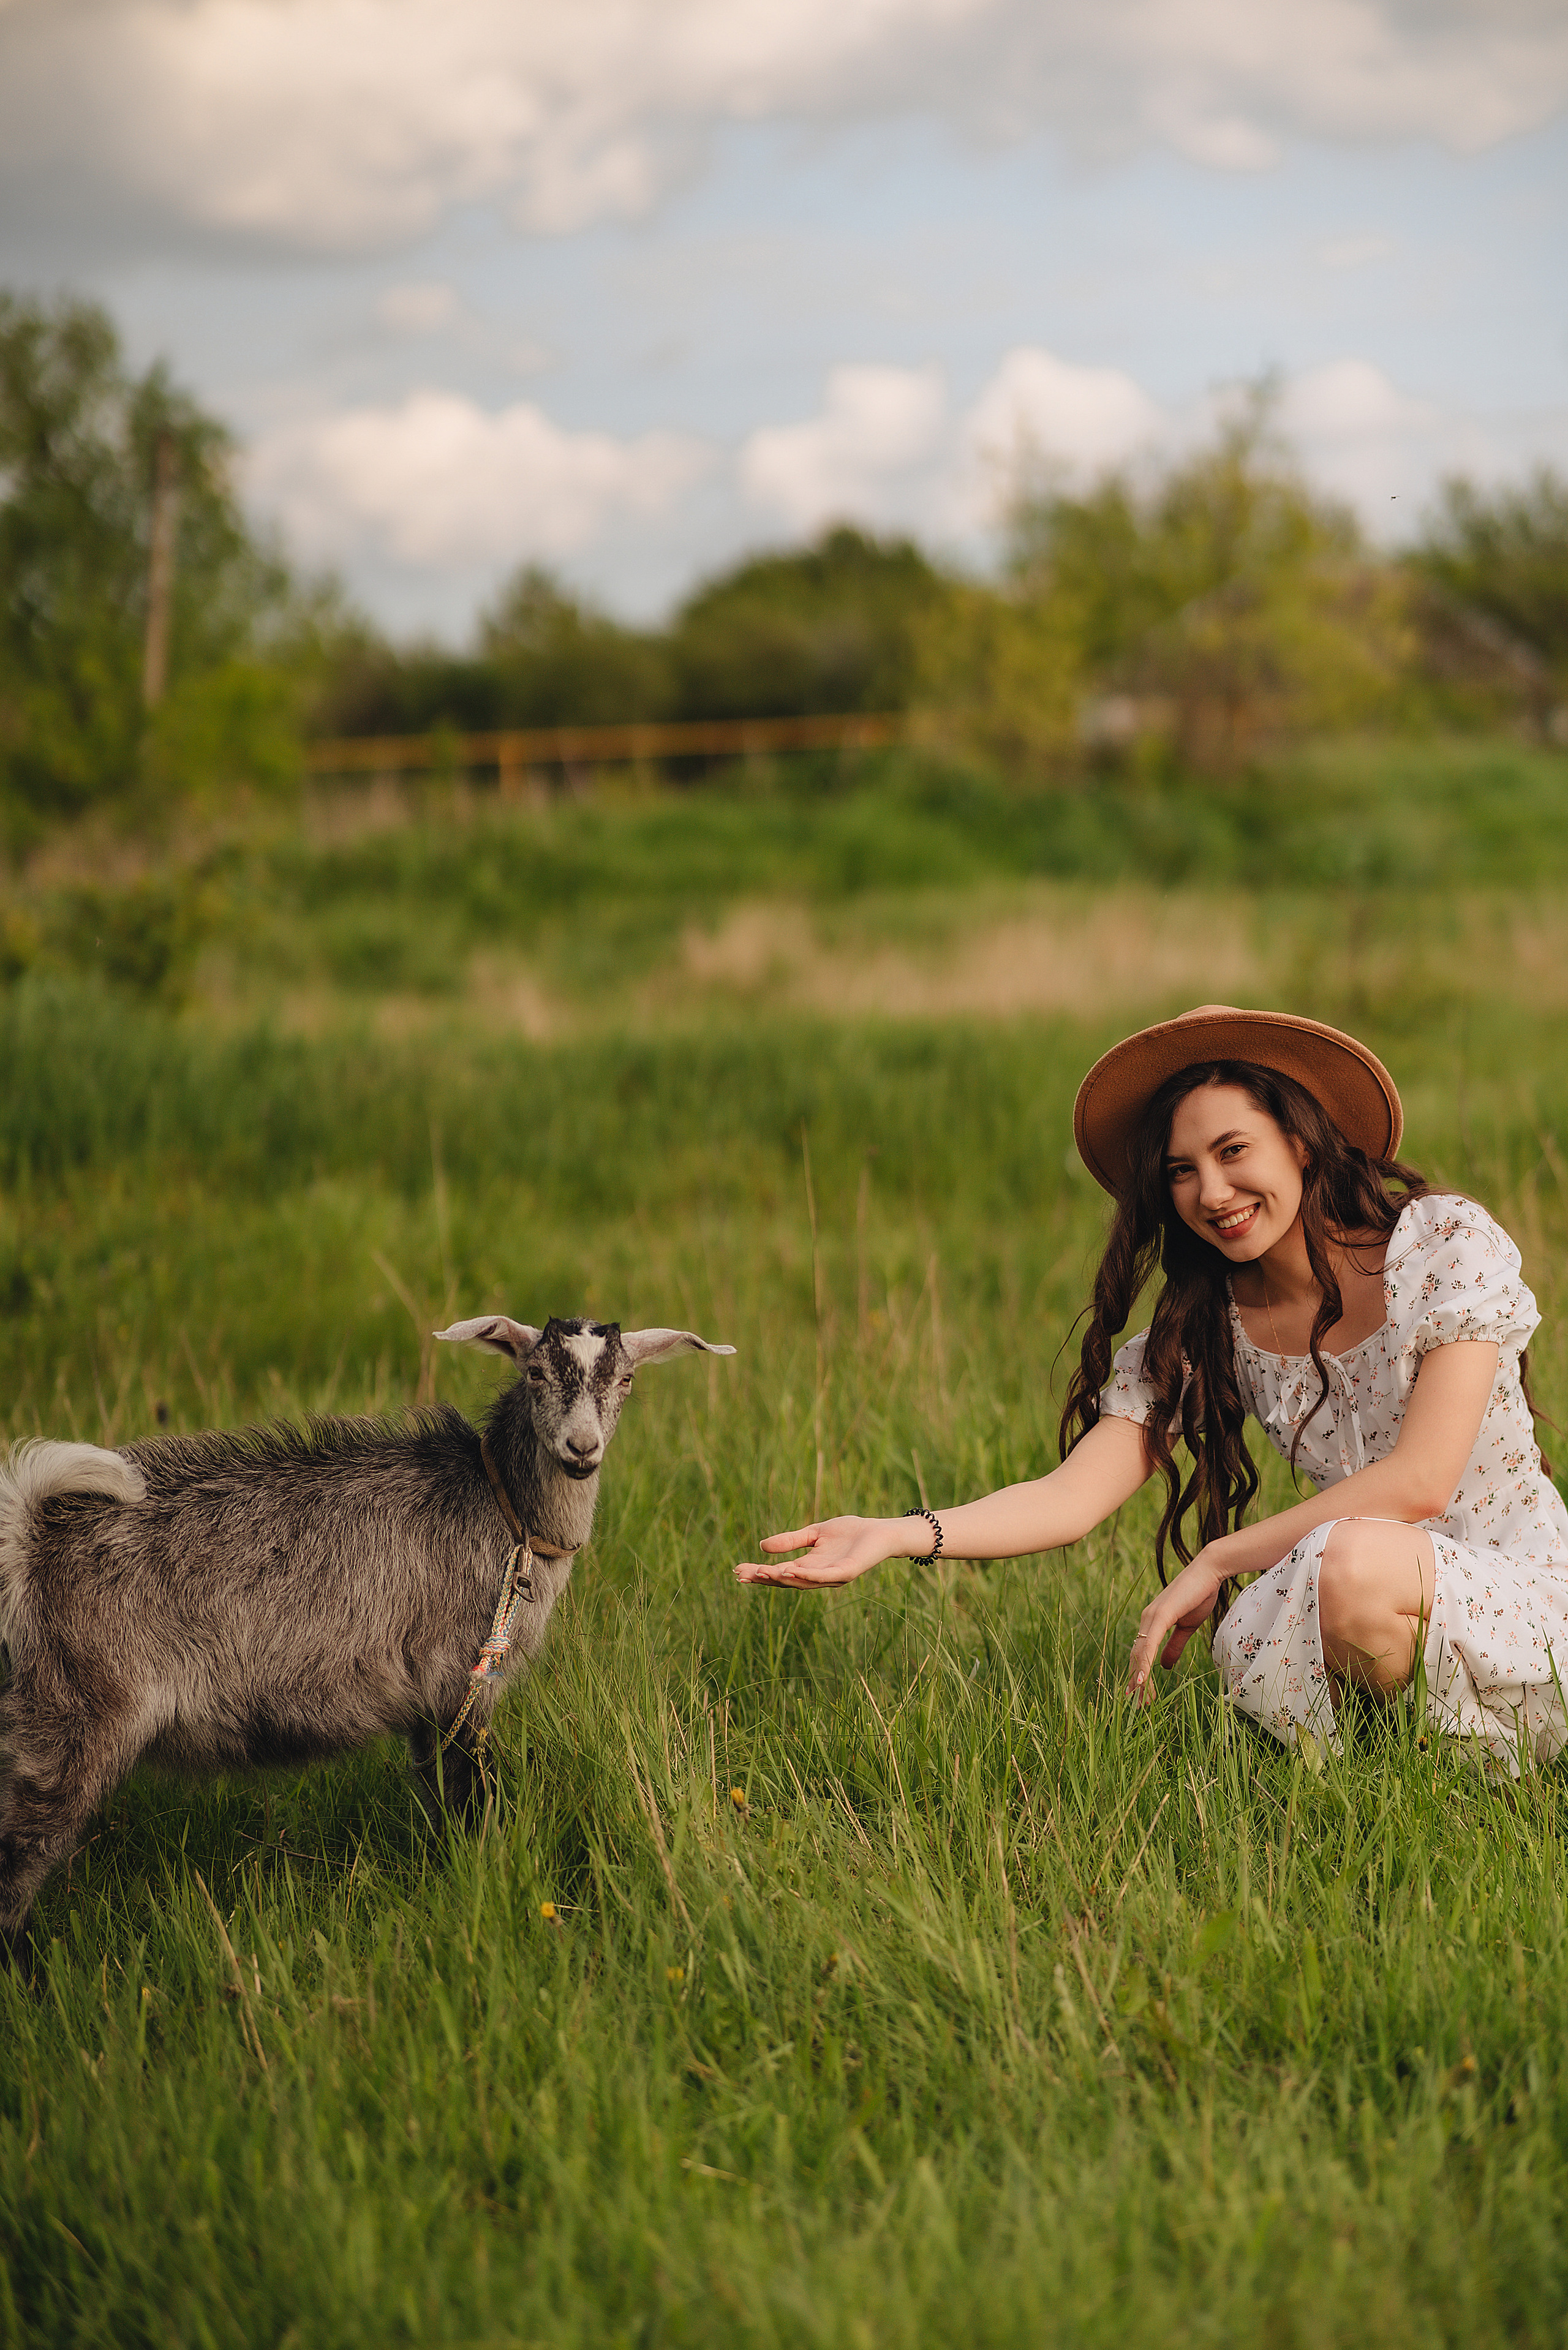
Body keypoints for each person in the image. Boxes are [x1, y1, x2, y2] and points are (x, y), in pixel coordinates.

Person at [736, 1004, 1568, 1767]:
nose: (1212, 1192)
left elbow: (1421, 1481)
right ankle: (1435, 1772)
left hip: (1521, 1592)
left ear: (1302, 1140)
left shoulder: (1440, 1247)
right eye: (1181, 1170)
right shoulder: (1211, 1328)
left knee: (1338, 1567)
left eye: (1233, 1151)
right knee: (1288, 1608)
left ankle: (1509, 1748)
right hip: (1376, 1590)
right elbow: (1069, 1497)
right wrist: (898, 1533)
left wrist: (1221, 1556)